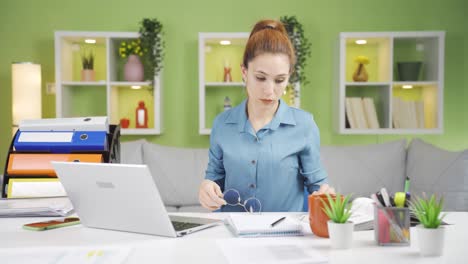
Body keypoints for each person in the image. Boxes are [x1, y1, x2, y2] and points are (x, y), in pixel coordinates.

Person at [198, 19, 334, 212]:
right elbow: (214, 179)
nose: (270, 90)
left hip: (284, 237)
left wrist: (326, 195)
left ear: (289, 76)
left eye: (280, 80)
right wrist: (207, 189)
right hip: (231, 237)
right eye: (260, 78)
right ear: (244, 72)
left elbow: (318, 186)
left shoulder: (304, 125)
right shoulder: (222, 124)